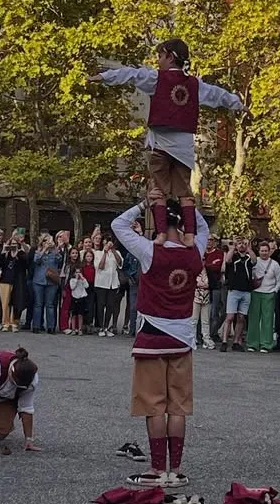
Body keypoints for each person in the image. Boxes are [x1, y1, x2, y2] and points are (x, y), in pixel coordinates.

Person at [90, 40, 244, 247]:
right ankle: (189, 235)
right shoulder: (195, 84)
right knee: (184, 192)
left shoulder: (156, 78)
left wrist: (104, 77)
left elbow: (132, 74)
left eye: (160, 56)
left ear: (169, 56)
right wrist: (238, 104)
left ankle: (161, 234)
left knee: (158, 189)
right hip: (184, 146)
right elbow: (218, 95)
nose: (158, 61)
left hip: (160, 142)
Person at [112, 196, 208, 488]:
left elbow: (118, 225)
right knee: (177, 407)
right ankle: (175, 470)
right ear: (182, 223)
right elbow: (203, 229)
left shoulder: (149, 250)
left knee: (154, 406)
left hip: (152, 336)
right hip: (181, 338)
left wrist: (144, 205)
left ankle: (156, 470)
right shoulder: (195, 252)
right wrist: (188, 206)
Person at [221, 238, 255, 352]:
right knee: (230, 317)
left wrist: (249, 248)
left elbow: (255, 260)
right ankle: (224, 341)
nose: (242, 246)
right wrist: (232, 247)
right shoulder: (234, 257)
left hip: (246, 291)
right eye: (240, 244)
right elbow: (228, 260)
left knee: (241, 318)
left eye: (243, 244)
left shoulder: (248, 258)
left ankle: (236, 341)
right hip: (234, 291)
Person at [247, 242, 280, 353]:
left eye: (266, 251)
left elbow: (279, 280)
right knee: (253, 319)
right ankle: (252, 343)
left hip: (269, 293)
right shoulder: (254, 261)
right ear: (259, 251)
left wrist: (274, 291)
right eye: (262, 251)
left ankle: (266, 344)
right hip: (255, 293)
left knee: (268, 320)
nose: (264, 253)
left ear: (269, 251)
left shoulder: (275, 264)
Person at [30, 234, 62, 334]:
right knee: (38, 304)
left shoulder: (55, 252)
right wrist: (44, 249)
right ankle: (36, 326)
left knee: (50, 305)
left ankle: (51, 327)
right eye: (45, 241)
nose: (47, 243)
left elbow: (59, 259)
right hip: (39, 281)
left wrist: (55, 248)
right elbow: (36, 260)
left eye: (49, 241)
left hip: (51, 282)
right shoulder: (38, 251)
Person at [94, 238, 123, 337]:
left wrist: (113, 250)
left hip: (113, 283)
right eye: (106, 243)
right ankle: (101, 327)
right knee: (101, 305)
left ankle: (106, 327)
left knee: (110, 305)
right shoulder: (98, 253)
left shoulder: (117, 252)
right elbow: (100, 266)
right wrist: (105, 253)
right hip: (101, 283)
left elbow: (120, 263)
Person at [0, 235, 27, 332]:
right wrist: (3, 252)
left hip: (17, 281)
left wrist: (19, 252)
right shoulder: (6, 254)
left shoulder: (21, 254)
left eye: (15, 244)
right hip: (5, 280)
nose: (13, 246)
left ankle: (14, 322)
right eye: (11, 244)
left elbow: (26, 263)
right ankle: (5, 322)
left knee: (16, 302)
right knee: (5, 303)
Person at [203, 235, 225, 342]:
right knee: (201, 313)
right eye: (207, 240)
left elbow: (218, 268)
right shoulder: (201, 252)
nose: (208, 242)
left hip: (215, 286)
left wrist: (206, 265)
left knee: (215, 312)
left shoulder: (219, 254)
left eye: (211, 240)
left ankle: (213, 333)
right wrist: (210, 265)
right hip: (201, 287)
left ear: (215, 242)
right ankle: (203, 334)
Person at [67, 255, 92, 336]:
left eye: (79, 272)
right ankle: (73, 329)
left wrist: (83, 279)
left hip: (81, 298)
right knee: (73, 314)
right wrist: (76, 280)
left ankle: (80, 329)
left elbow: (87, 286)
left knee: (81, 314)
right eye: (76, 272)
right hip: (74, 298)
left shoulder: (83, 280)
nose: (78, 274)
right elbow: (72, 287)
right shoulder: (72, 280)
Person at [192, 269, 214, 350]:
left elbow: (212, 283)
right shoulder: (194, 271)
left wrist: (206, 285)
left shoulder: (209, 271)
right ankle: (192, 339)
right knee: (194, 320)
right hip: (196, 297)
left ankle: (206, 339)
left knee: (205, 320)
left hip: (206, 298)